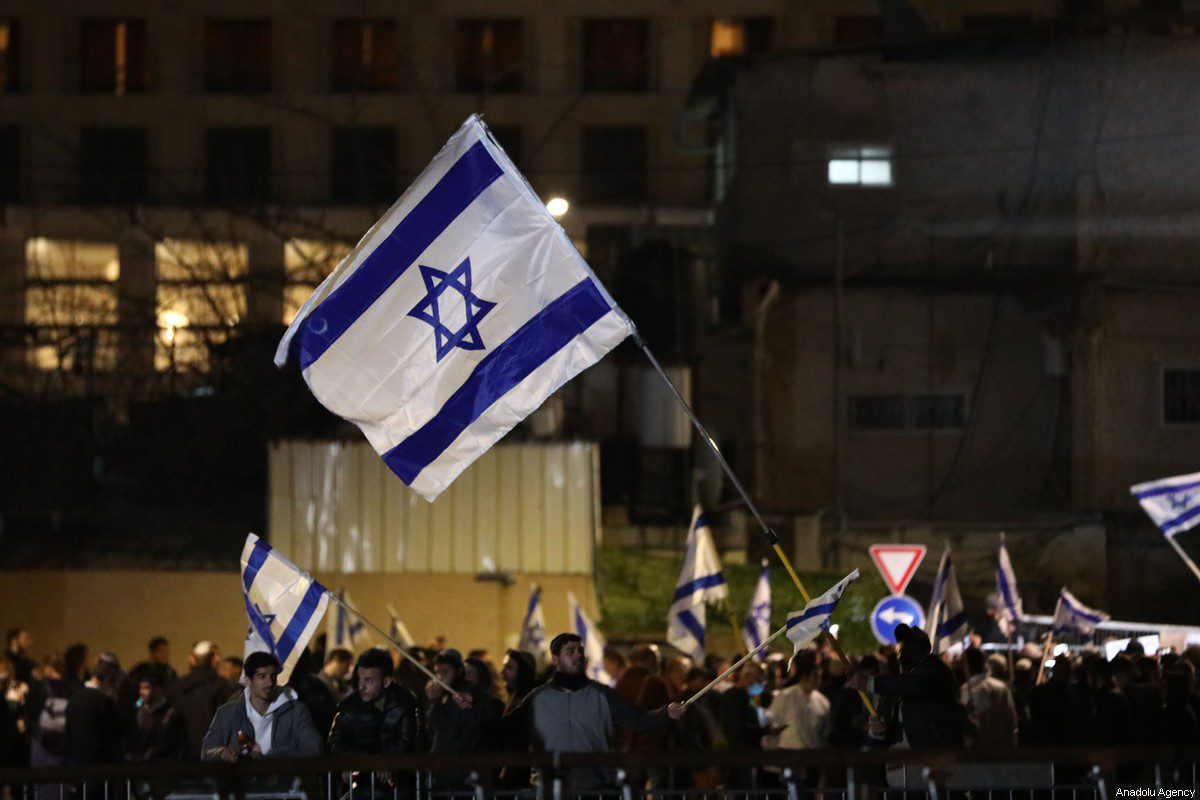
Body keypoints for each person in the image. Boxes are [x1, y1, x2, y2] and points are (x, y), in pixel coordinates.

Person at [495, 632, 685, 792]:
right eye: (570, 651)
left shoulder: (601, 694)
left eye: (580, 651)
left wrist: (666, 713)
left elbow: (636, 719)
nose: (578, 656)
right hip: (551, 788)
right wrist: (472, 709)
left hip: (594, 787)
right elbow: (507, 728)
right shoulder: (538, 698)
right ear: (555, 659)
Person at [846, 623, 964, 748]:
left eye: (909, 642)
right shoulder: (899, 680)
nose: (902, 648)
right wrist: (877, 729)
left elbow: (915, 684)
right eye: (901, 642)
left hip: (930, 759)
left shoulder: (935, 670)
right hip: (899, 762)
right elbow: (887, 724)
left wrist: (870, 683)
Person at [328, 648, 420, 796]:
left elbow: (407, 743)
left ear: (387, 681)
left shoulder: (405, 703)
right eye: (360, 679)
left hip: (399, 785)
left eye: (368, 680)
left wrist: (386, 761)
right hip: (360, 783)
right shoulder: (350, 706)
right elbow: (335, 743)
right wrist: (370, 760)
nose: (361, 686)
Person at [201, 651, 323, 760]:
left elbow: (314, 749)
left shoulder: (296, 710)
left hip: (283, 783)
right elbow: (206, 752)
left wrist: (268, 759)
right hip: (241, 784)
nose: (270, 682)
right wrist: (221, 753)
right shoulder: (227, 713)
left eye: (273, 676)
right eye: (262, 676)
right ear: (248, 680)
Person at [174, 641, 235, 758]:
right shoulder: (220, 684)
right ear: (212, 660)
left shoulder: (181, 684)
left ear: (194, 659)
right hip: (212, 749)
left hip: (185, 749)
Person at [65, 652, 124, 766]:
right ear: (110, 676)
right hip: (98, 768)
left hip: (75, 766)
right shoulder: (103, 701)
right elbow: (111, 738)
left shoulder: (74, 697)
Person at [959, 648, 1017, 749]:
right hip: (1003, 749)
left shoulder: (967, 690)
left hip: (977, 752)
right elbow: (1011, 719)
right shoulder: (1001, 687)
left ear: (966, 666)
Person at [128, 672, 187, 761]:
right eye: (141, 688)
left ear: (158, 689)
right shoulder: (138, 710)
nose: (141, 692)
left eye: (146, 688)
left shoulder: (171, 714)